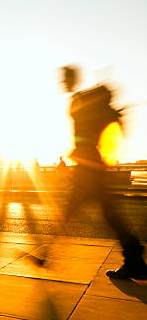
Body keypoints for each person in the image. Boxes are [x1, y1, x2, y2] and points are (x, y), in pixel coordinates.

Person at [59, 65, 147, 279]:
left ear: (71, 79)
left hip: (88, 168)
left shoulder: (79, 101)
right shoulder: (89, 103)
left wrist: (78, 151)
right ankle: (134, 257)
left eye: (64, 78)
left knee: (73, 211)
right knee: (109, 214)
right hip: (93, 166)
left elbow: (85, 135)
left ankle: (134, 257)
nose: (62, 83)